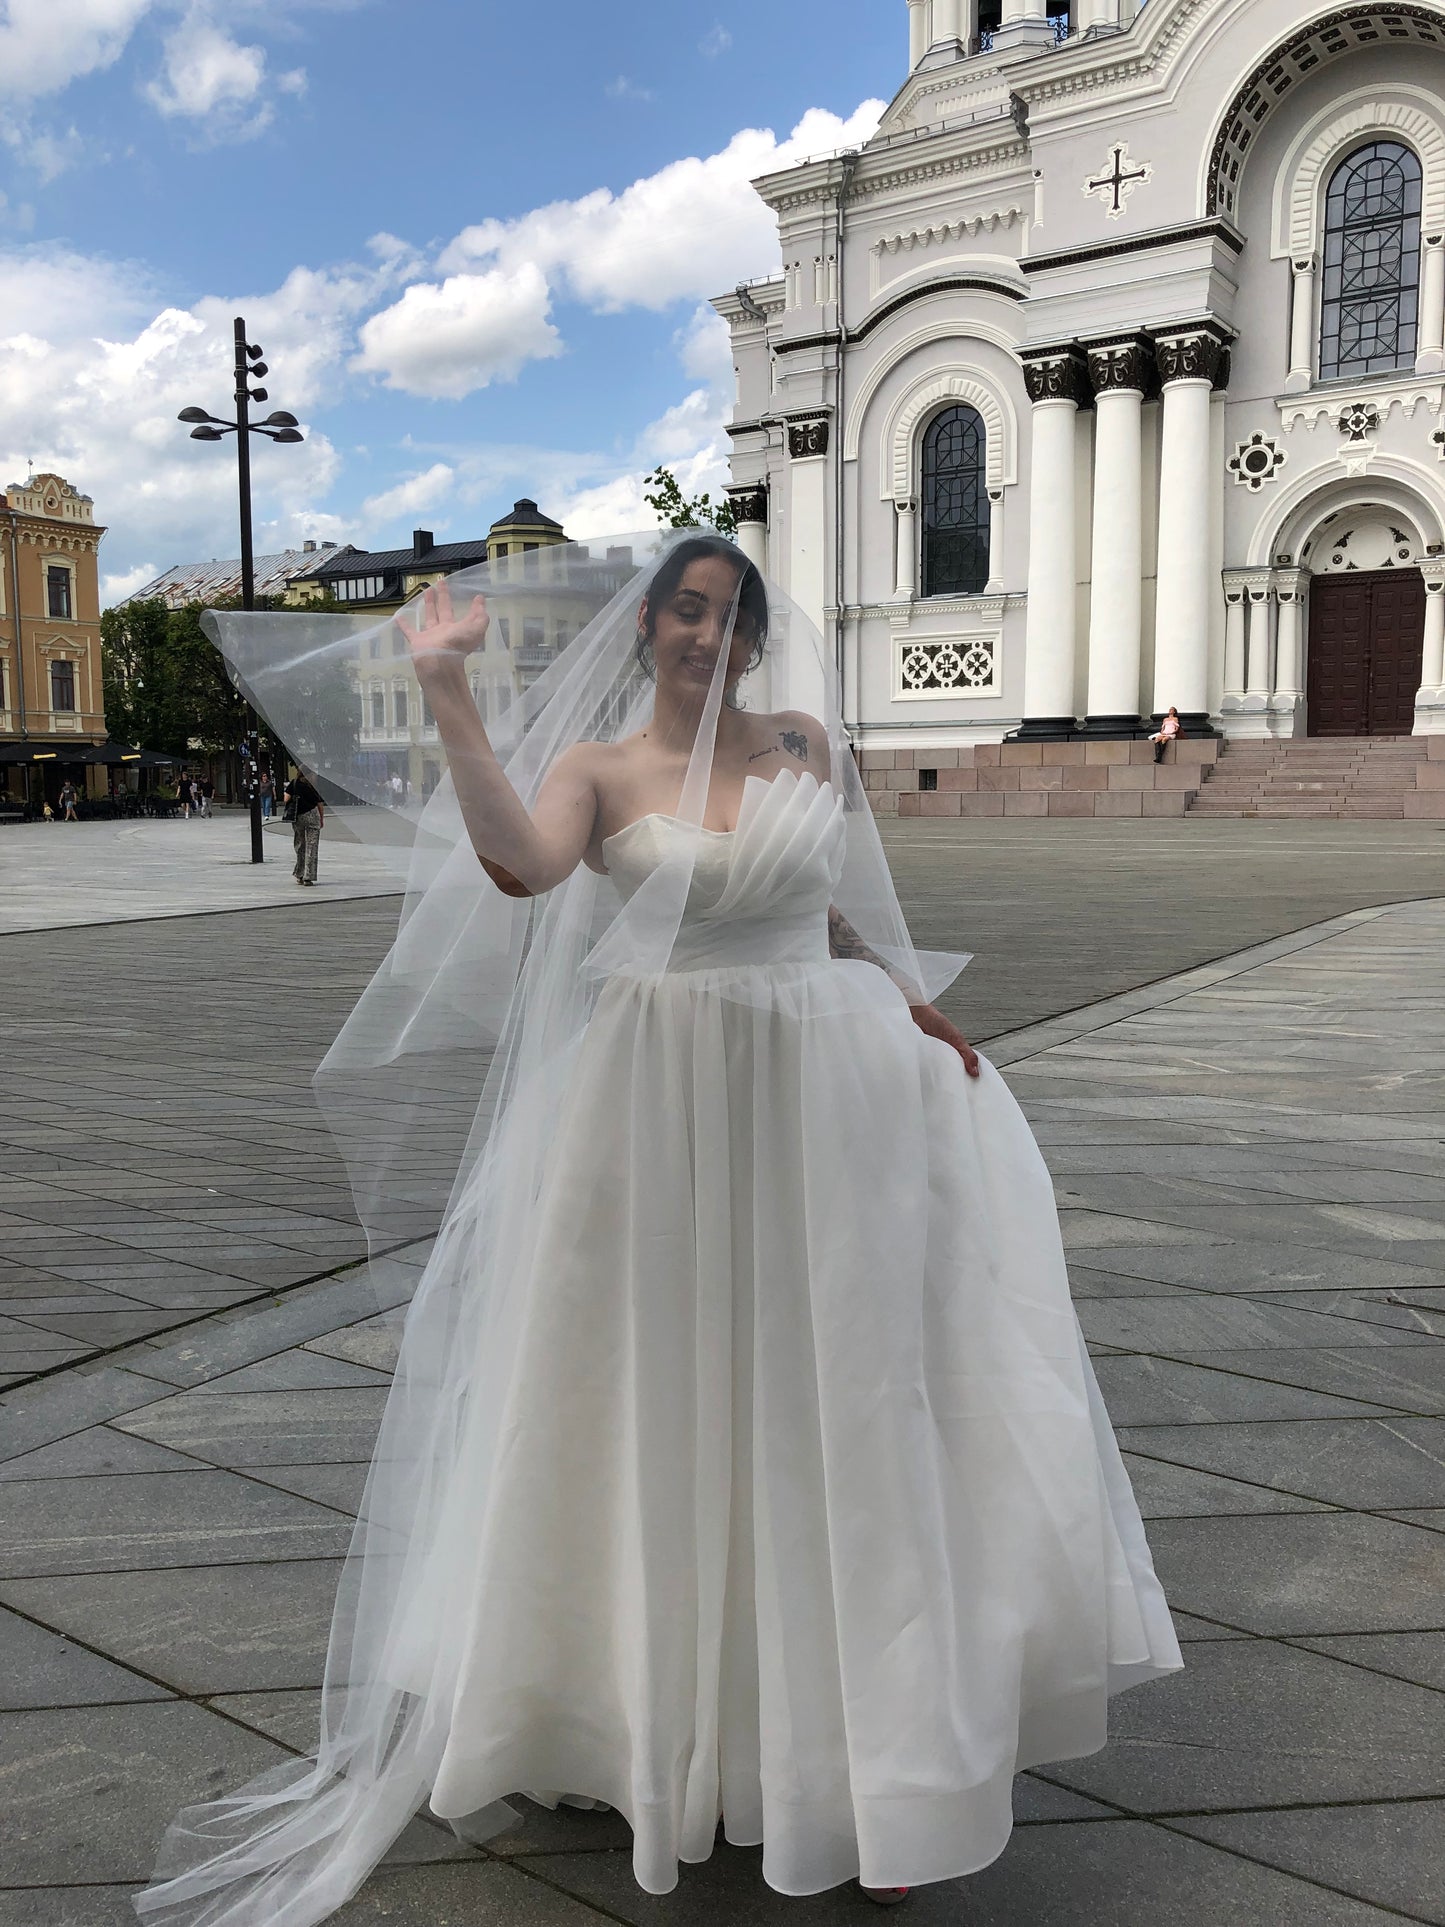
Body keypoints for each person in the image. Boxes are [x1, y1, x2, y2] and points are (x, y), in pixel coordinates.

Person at [140, 536, 1179, 1927]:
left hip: (832, 1089)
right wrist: (447, 690)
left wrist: (912, 1000)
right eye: (686, 609)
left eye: (730, 612)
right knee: (660, 1404)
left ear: (754, 636)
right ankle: (642, 1720)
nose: (708, 631)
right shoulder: (601, 769)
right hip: (657, 1107)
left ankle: (882, 1768)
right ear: (647, 627)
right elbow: (517, 867)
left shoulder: (807, 736)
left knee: (853, 1404)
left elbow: (830, 907)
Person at [285, 769, 324, 885]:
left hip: (298, 816)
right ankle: (309, 876)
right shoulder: (313, 786)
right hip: (312, 815)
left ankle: (300, 875)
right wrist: (321, 819)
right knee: (312, 845)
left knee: (300, 844)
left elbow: (286, 799)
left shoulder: (294, 783)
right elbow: (320, 804)